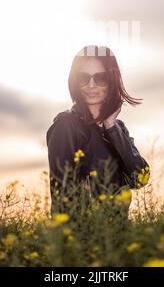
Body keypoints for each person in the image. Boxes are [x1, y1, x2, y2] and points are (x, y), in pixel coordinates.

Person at [46, 44, 150, 217]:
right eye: (83, 78)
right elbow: (62, 196)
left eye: (100, 78)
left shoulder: (118, 128)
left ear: (112, 81)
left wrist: (111, 127)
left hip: (118, 237)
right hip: (84, 238)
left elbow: (140, 178)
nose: (91, 85)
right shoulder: (66, 126)